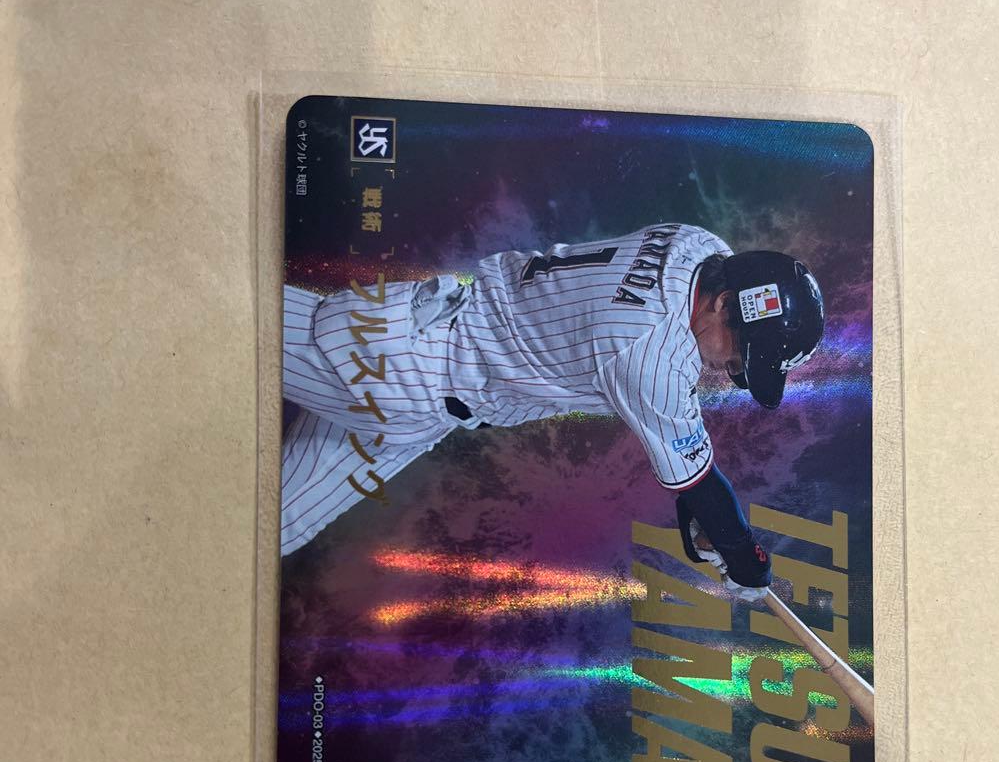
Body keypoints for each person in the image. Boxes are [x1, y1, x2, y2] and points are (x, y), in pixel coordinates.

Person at [280, 223, 824, 601]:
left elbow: (689, 473)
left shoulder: (695, 245)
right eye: (741, 352)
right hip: (398, 370)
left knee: (278, 524)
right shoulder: (650, 355)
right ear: (724, 303)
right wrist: (743, 556)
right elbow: (698, 480)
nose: (731, 368)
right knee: (242, 322)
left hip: (425, 384)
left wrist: (702, 511)